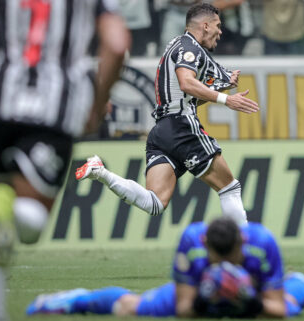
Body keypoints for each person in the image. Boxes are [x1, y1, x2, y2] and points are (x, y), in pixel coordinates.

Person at [0, 1, 131, 321]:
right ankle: (16, 214)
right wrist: (97, 103)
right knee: (32, 223)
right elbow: (117, 43)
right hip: (55, 105)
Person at [75, 3, 259, 225]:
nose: (221, 31)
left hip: (162, 131)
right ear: (206, 25)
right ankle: (243, 249)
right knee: (229, 188)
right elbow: (186, 82)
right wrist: (226, 99)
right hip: (182, 126)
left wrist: (219, 87)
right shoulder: (189, 48)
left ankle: (101, 172)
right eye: (218, 26)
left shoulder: (176, 44)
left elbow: (185, 93)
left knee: (155, 203)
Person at [26, 218, 304, 318]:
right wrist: (208, 296)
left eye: (231, 259)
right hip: (201, 292)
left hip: (253, 290)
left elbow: (275, 309)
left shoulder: (262, 242)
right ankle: (74, 300)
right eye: (219, 260)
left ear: (240, 246)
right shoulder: (192, 241)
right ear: (207, 247)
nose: (226, 265)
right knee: (130, 308)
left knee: (286, 310)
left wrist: (249, 300)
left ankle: (302, 286)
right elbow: (185, 308)